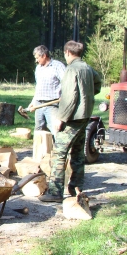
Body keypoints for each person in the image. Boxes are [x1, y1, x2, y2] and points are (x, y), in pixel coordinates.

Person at [39, 41, 102, 203]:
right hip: (85, 116)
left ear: (67, 52)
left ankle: (55, 192)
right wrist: (88, 93)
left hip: (73, 118)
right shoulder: (87, 68)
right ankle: (76, 186)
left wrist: (61, 118)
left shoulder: (71, 70)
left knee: (59, 153)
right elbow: (98, 83)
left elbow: (70, 97)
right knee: (78, 152)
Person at [27, 45, 66, 136]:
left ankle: (57, 149)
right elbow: (38, 86)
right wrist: (33, 101)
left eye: (37, 58)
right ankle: (41, 150)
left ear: (44, 55)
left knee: (55, 130)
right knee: (39, 131)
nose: (36, 60)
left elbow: (66, 83)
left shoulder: (57, 66)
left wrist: (64, 97)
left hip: (52, 104)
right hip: (39, 105)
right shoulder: (38, 68)